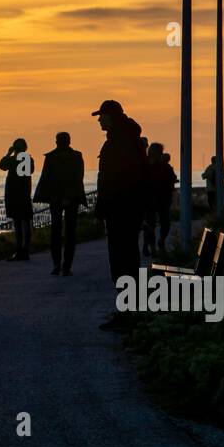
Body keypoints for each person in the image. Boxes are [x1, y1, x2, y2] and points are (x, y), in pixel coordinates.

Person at [91, 100, 147, 330]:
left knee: (122, 261)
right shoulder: (124, 139)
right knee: (125, 260)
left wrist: (103, 209)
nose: (98, 120)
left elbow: (113, 180)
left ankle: (127, 313)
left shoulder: (120, 142)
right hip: (125, 209)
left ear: (112, 117)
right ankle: (127, 310)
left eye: (101, 116)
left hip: (121, 210)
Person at [32, 132, 85, 276]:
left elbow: (77, 177)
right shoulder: (56, 157)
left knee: (65, 233)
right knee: (62, 233)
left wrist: (67, 196)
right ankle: (60, 265)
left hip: (65, 199)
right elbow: (47, 178)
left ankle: (63, 265)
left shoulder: (71, 157)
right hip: (59, 199)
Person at [0, 138, 34, 261]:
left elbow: (2, 165)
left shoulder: (18, 160)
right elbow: (2, 166)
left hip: (18, 195)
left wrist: (9, 154)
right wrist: (9, 155)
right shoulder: (25, 160)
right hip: (19, 195)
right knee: (21, 223)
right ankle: (22, 250)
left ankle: (22, 250)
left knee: (21, 223)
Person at [143, 143, 177, 256]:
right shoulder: (145, 165)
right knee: (150, 224)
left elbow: (172, 178)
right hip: (150, 199)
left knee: (164, 223)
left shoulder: (165, 166)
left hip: (162, 199)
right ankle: (153, 248)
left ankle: (160, 242)